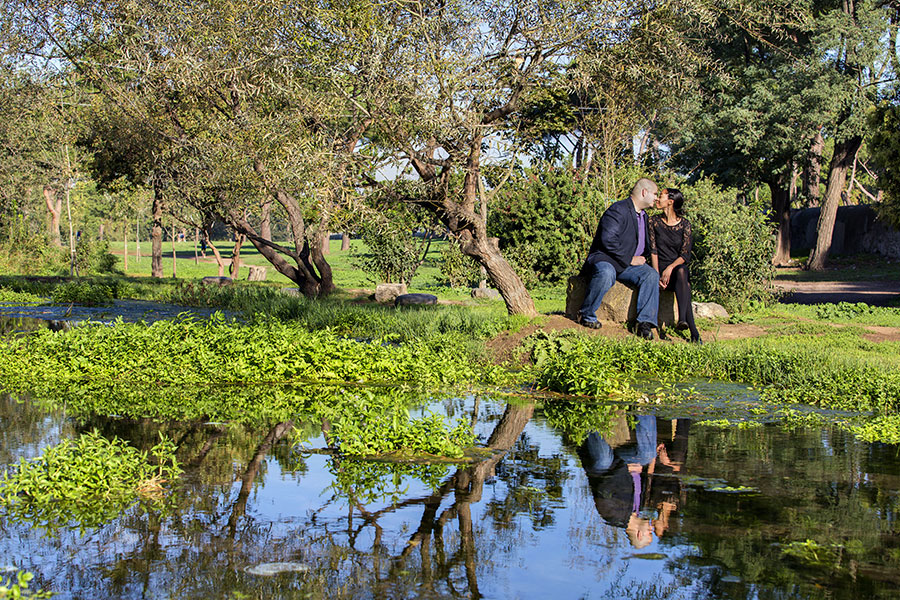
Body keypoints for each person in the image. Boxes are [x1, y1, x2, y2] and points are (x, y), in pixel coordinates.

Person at [579, 178, 660, 339]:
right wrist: (630, 258)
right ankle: (586, 315)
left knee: (651, 275)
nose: (656, 198)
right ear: (644, 192)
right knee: (607, 273)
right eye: (655, 194)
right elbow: (607, 240)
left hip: (628, 264)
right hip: (607, 259)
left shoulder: (644, 216)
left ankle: (643, 323)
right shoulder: (618, 210)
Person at [649, 188, 702, 344]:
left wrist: (670, 268)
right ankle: (693, 331)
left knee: (682, 271)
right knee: (684, 282)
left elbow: (685, 255)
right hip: (660, 269)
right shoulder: (653, 221)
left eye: (660, 196)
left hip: (676, 268)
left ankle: (683, 320)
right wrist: (657, 274)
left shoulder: (685, 224)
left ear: (670, 202)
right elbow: (653, 250)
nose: (657, 199)